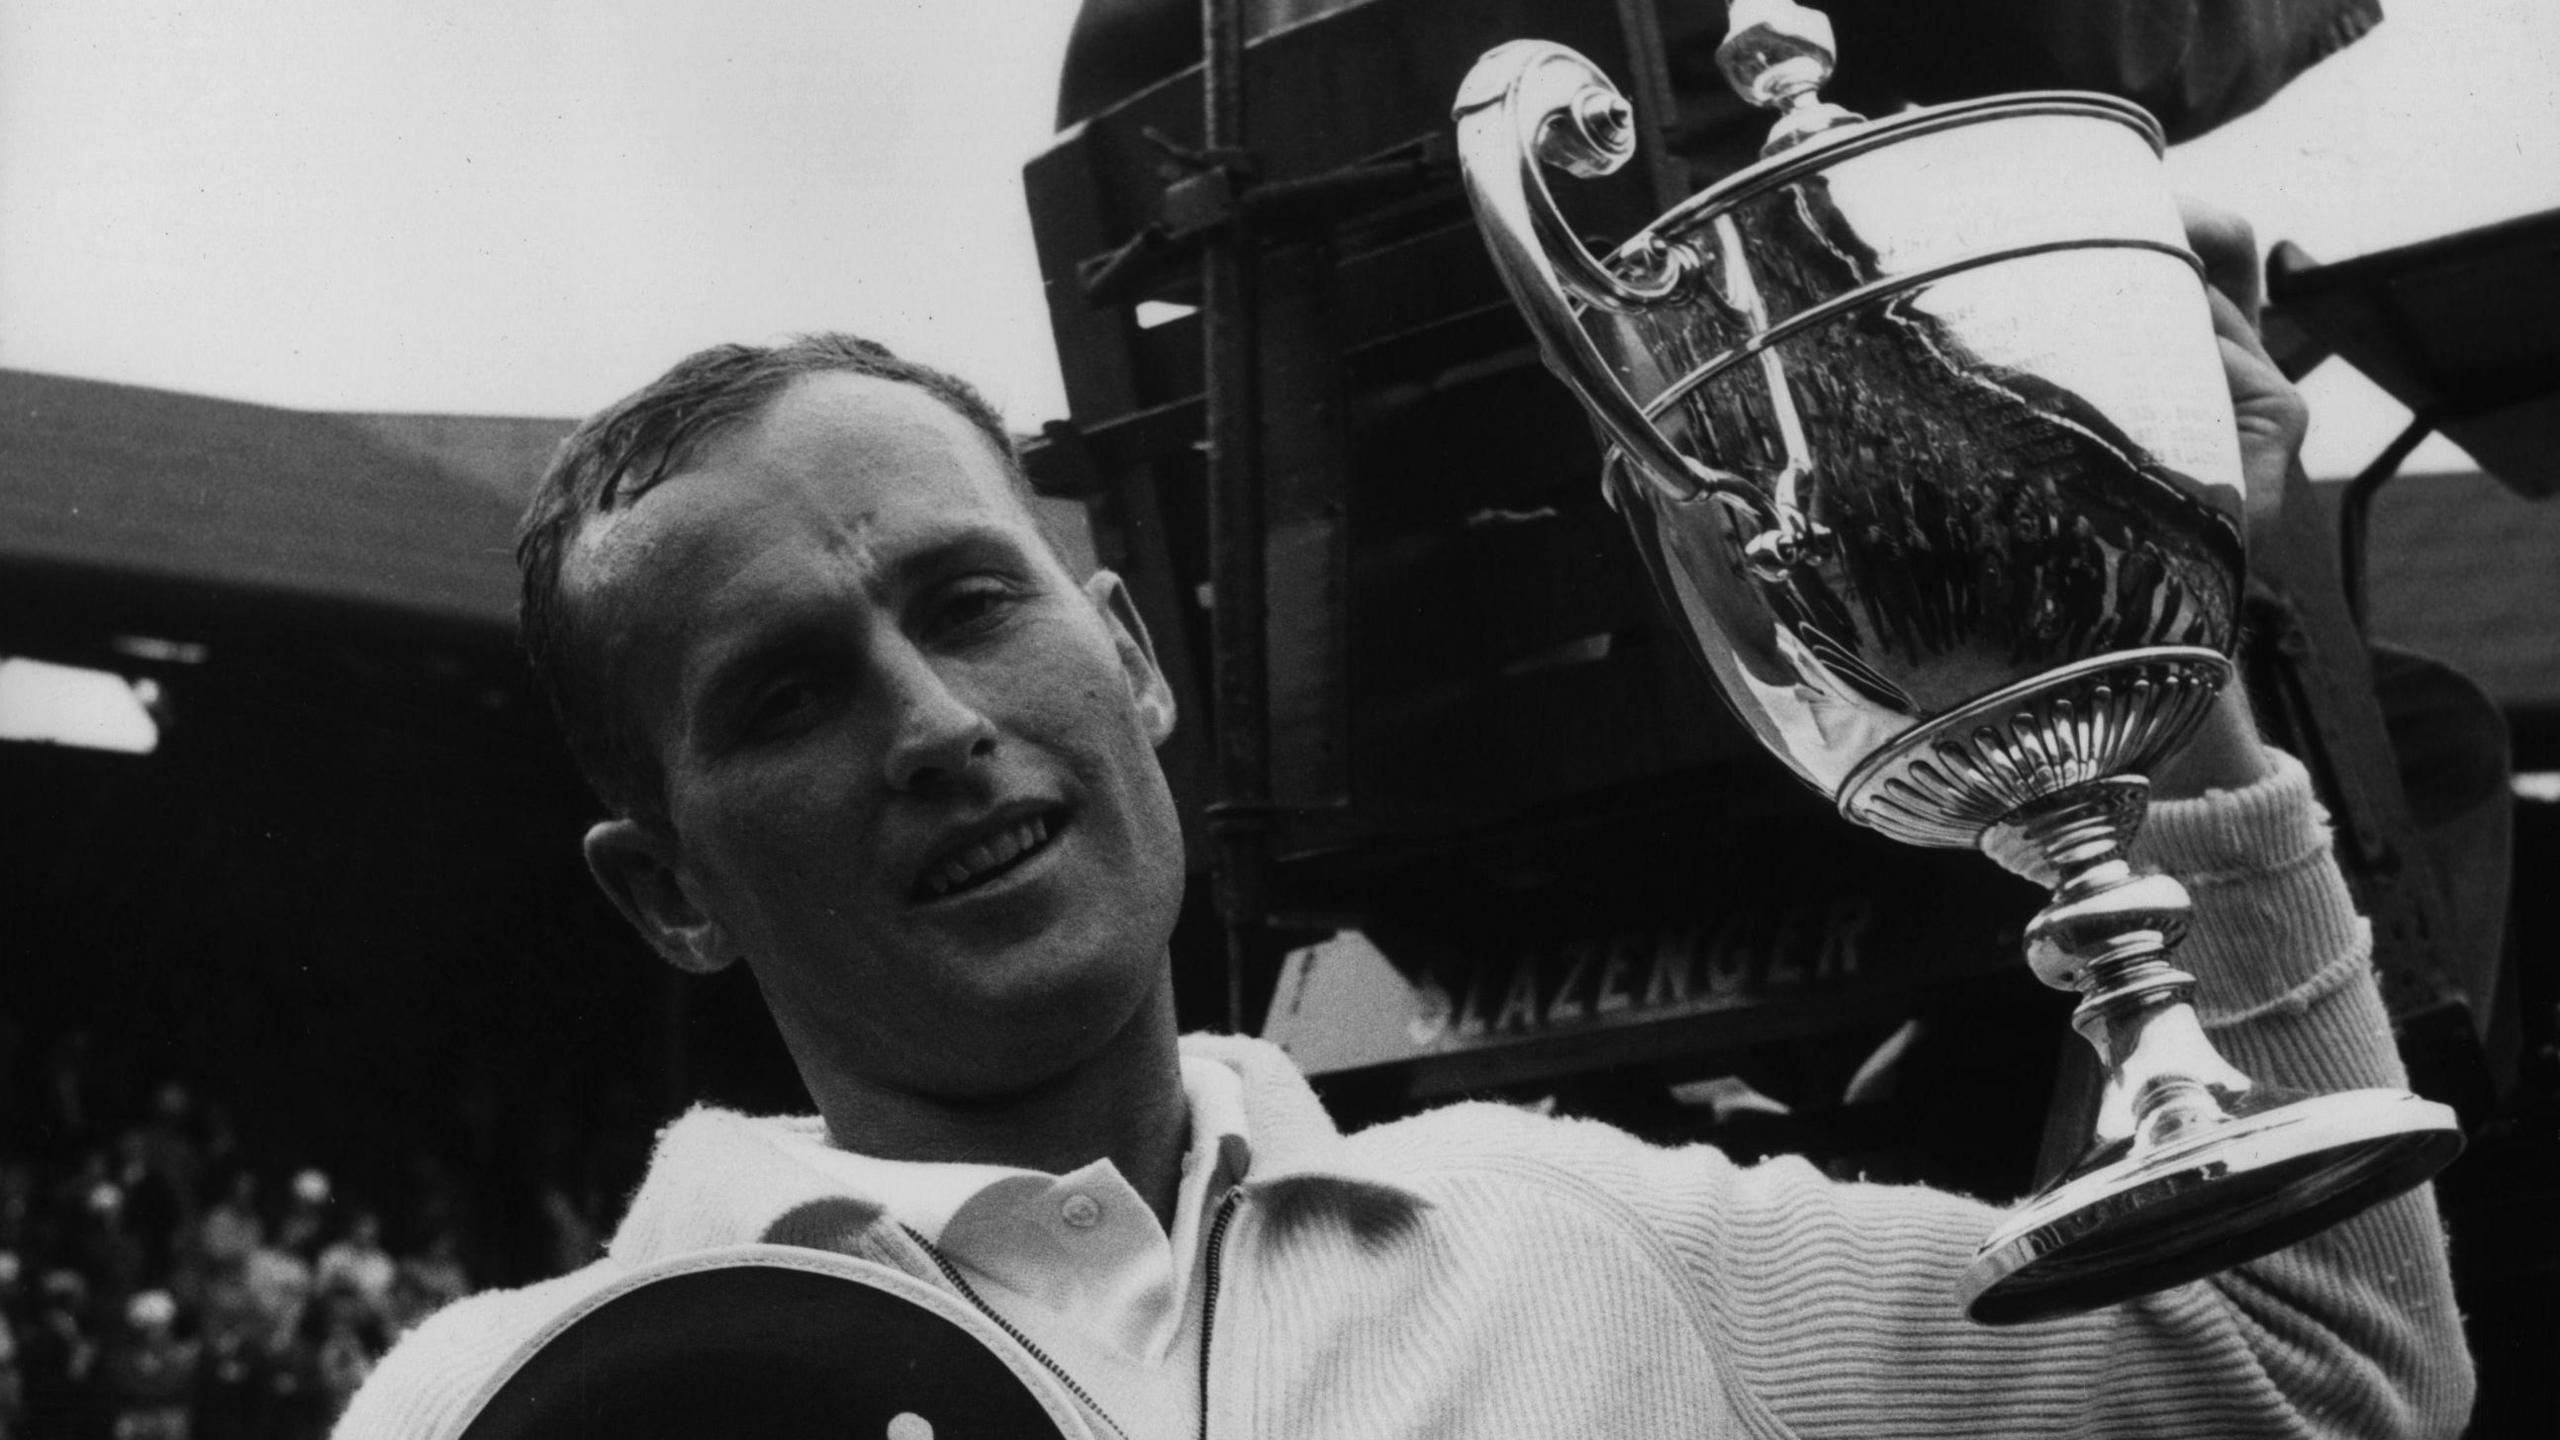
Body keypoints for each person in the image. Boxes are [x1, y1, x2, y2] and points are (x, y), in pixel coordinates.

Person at [337, 205, 2471, 1437]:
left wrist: (2148, 664)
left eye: (965, 604)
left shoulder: (1596, 1244)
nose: (925, 721)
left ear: (1132, 666)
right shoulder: (492, 1409)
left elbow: (2311, 1368)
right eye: (786, 695)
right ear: (668, 894)